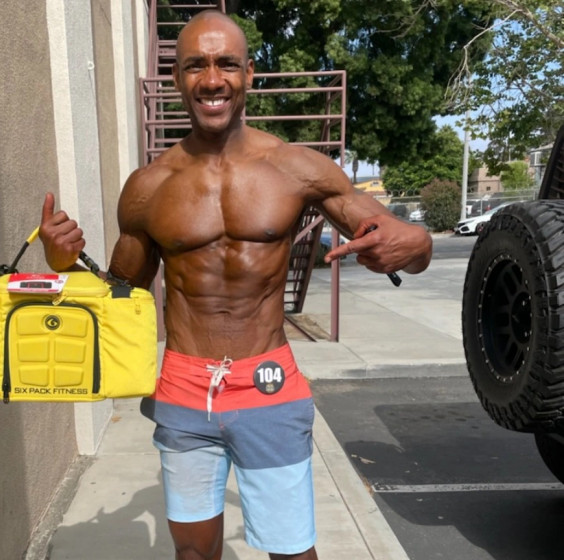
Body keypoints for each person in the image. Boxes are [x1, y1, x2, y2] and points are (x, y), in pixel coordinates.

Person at [39, 10, 432, 560]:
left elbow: (397, 241)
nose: (212, 79)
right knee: (194, 554)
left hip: (268, 384)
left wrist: (418, 243)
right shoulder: (148, 187)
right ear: (177, 78)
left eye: (226, 63)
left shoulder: (297, 168)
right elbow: (122, 295)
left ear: (248, 73)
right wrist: (66, 262)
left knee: (292, 552)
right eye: (195, 65)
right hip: (183, 386)